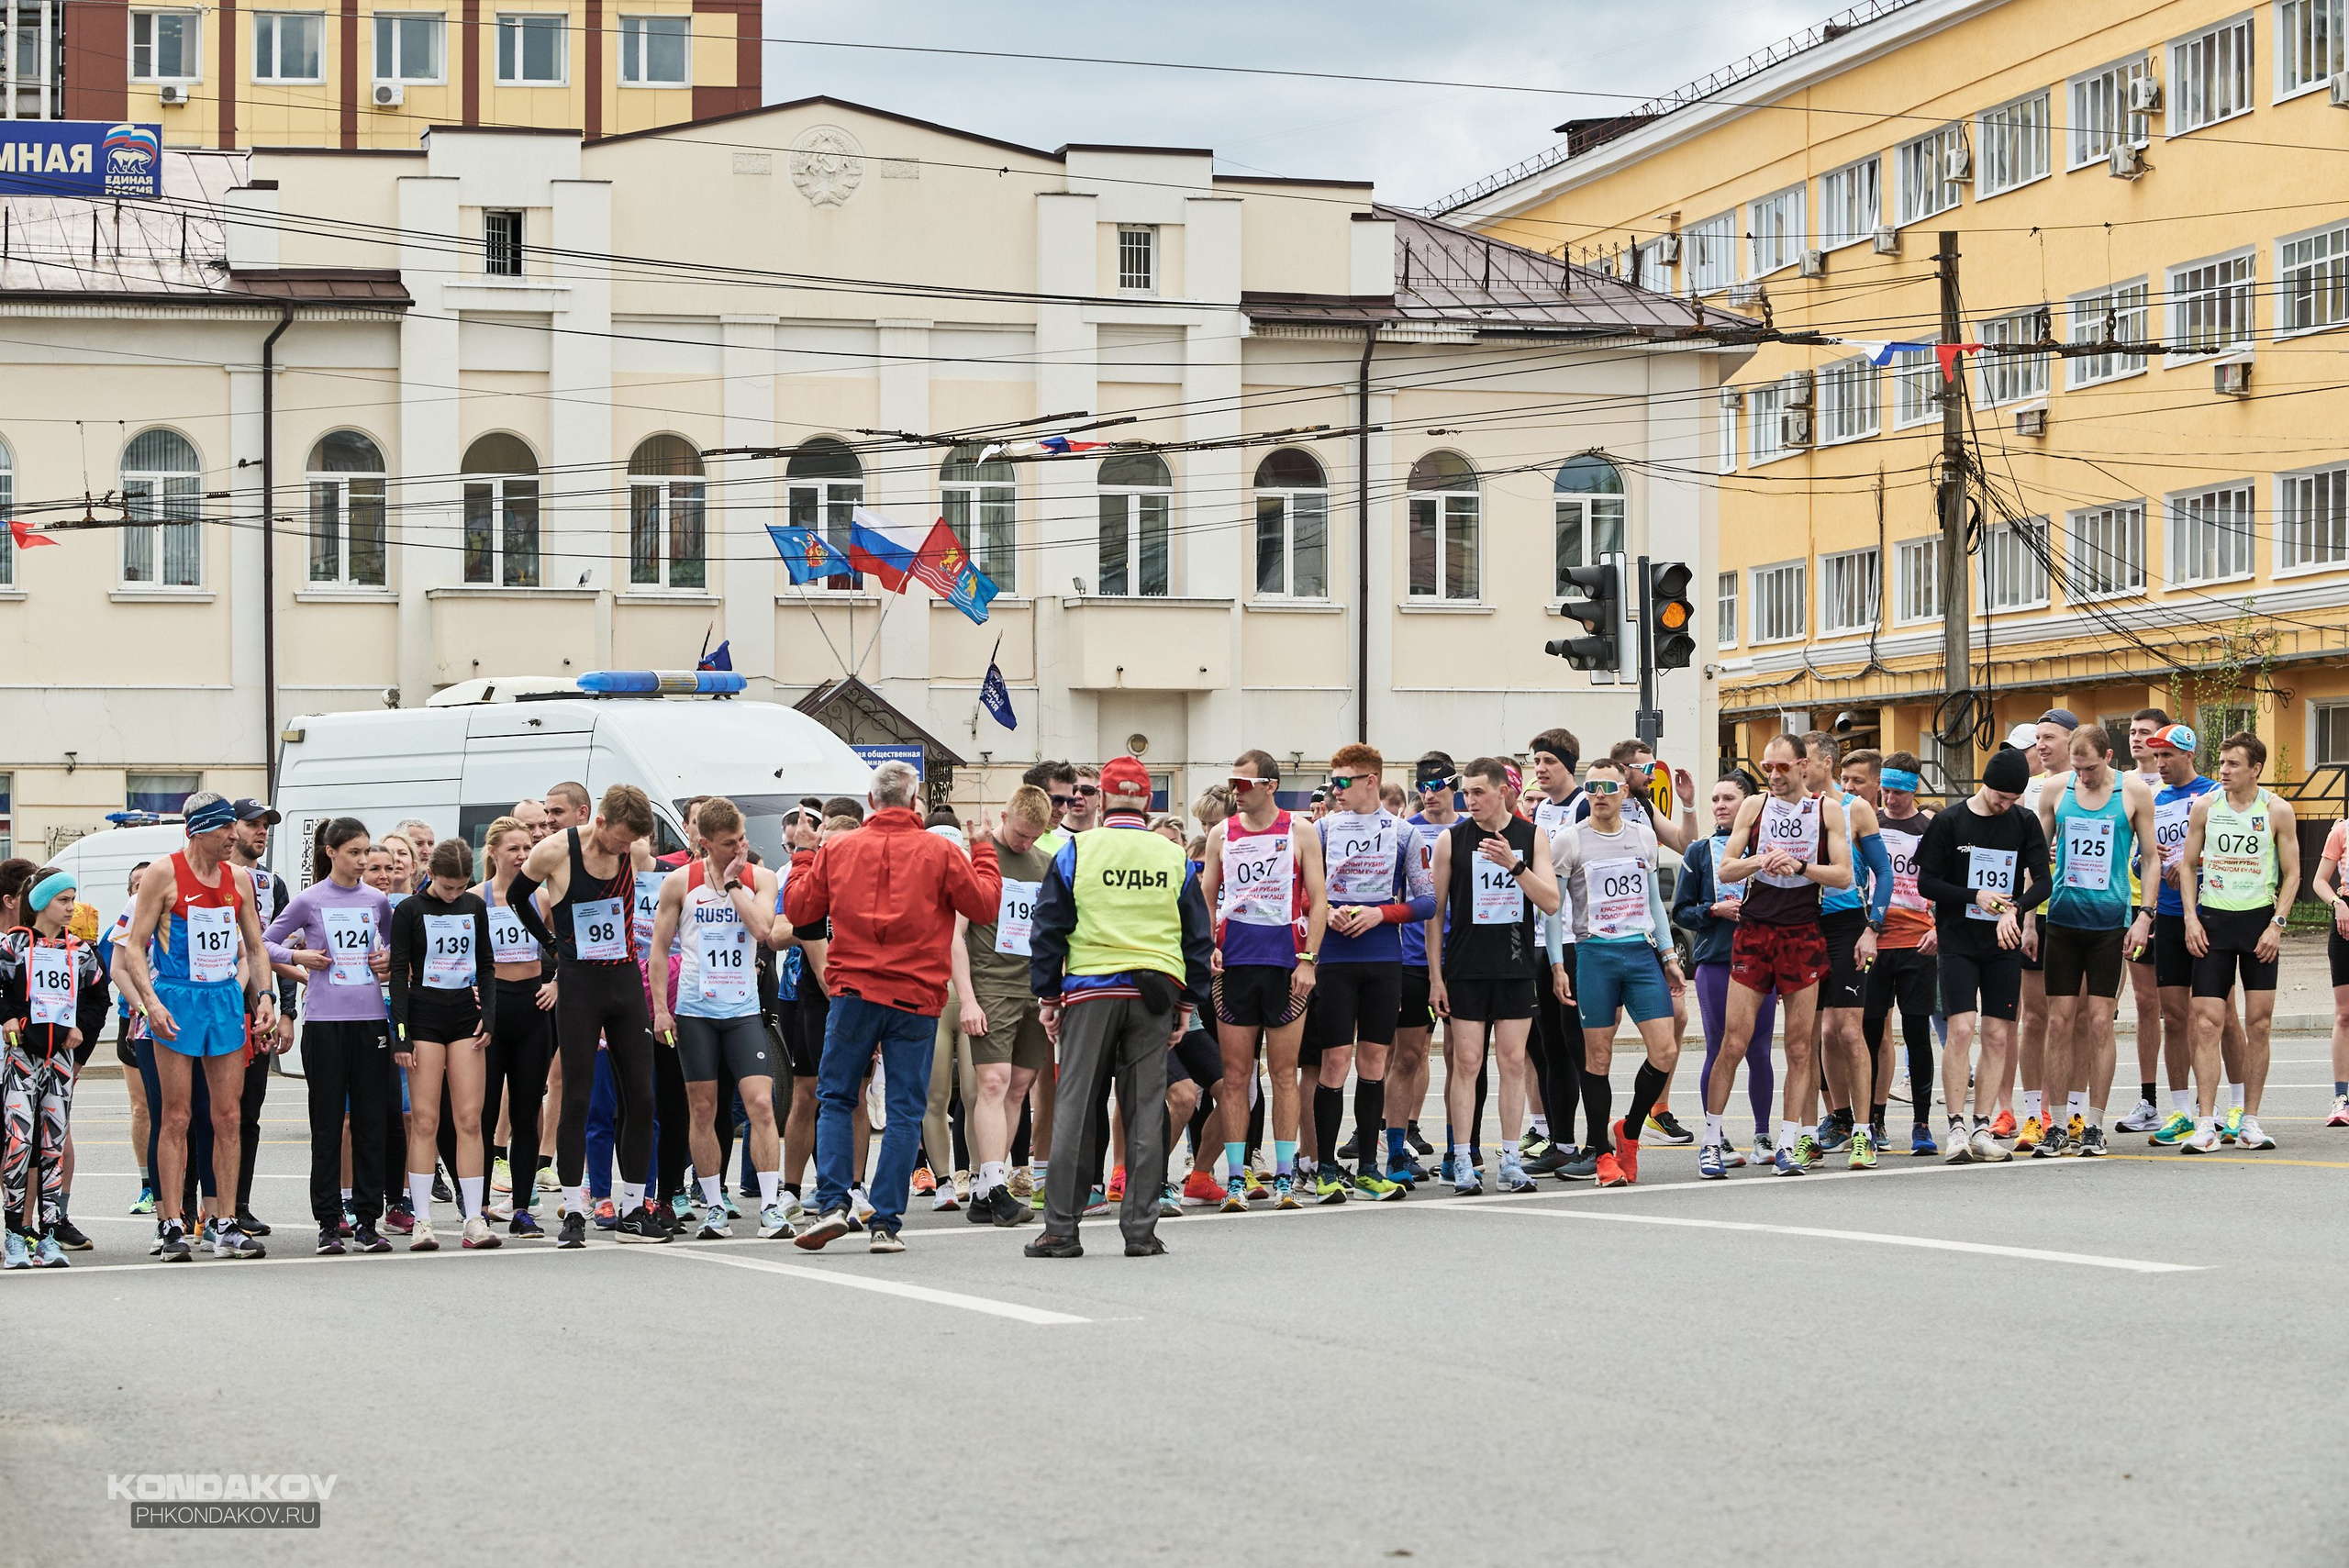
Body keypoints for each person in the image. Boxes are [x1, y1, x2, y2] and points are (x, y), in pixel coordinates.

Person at [785, 761, 1002, 1253]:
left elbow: (800, 913)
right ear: (913, 802)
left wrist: (804, 853)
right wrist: (985, 849)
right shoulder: (939, 851)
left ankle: (837, 1200)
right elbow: (985, 906)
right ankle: (885, 1222)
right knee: (905, 1110)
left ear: (870, 800)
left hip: (854, 992)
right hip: (915, 995)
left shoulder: (839, 848)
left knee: (837, 1098)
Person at [1022, 756, 1213, 1259]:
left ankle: (1061, 1231)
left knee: (1075, 1108)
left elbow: (1049, 927)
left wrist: (1048, 996)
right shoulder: (1172, 856)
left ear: (1102, 801)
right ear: (1149, 803)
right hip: (1153, 996)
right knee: (1145, 1110)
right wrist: (1187, 1004)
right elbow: (1197, 936)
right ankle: (1141, 1232)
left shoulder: (1078, 849)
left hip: (1089, 992)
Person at [112, 793, 280, 1261]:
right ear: (196, 832)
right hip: (177, 998)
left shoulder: (240, 878)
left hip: (224, 998)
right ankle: (170, 1224)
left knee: (228, 1116)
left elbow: (255, 946)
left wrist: (263, 997)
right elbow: (135, 947)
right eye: (223, 829)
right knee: (177, 1116)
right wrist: (149, 1004)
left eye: (234, 828)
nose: (233, 836)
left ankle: (223, 1222)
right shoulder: (164, 874)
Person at [507, 784, 665, 1247]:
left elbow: (667, 877)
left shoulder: (634, 849)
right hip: (579, 984)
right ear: (598, 822)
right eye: (618, 841)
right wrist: (553, 946)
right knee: (576, 1097)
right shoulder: (555, 851)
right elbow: (519, 898)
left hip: (623, 981)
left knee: (641, 1096)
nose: (624, 850)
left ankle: (634, 1210)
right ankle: (575, 1211)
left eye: (631, 844)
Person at [1702, 734, 1852, 1176]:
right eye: (1767, 767)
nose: (1772, 775)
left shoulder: (1826, 809)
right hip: (1756, 930)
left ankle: (1789, 1143)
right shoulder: (1756, 806)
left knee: (1800, 1046)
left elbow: (1843, 875)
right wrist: (1760, 861)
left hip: (1802, 932)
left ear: (1803, 766)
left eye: (1781, 767)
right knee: (1734, 1041)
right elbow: (1727, 866)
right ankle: (1712, 1141)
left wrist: (1801, 866)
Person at [648, 795, 793, 1240]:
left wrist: (732, 886)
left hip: (743, 1010)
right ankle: (712, 1205)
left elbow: (764, 931)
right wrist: (659, 1009)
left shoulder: (759, 878)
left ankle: (770, 1207)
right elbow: (657, 948)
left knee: (761, 1105)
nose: (740, 847)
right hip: (694, 1011)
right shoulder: (678, 882)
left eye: (743, 838)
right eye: (729, 842)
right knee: (703, 1109)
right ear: (705, 842)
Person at [1198, 749, 1329, 1209]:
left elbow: (1319, 898)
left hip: (1285, 966)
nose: (1236, 790)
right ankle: (1236, 1177)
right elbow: (1205, 899)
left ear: (1270, 785)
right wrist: (1207, 944)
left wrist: (1309, 960)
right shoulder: (1221, 834)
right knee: (1236, 1077)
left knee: (1283, 1075)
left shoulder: (1301, 830)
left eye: (1244, 782)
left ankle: (1286, 1176)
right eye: (1232, 782)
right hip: (1235, 966)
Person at [1427, 756, 1562, 1194]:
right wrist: (1435, 976)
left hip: (1515, 965)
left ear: (1503, 790)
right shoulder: (1452, 839)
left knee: (1512, 1064)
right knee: (1466, 1064)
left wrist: (1513, 864)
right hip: (1465, 968)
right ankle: (1463, 1158)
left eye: (1478, 792)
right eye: (1466, 792)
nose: (1470, 800)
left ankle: (1511, 1160)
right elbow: (1435, 914)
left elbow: (1552, 902)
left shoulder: (1530, 835)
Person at [1551, 756, 1685, 1186]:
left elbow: (1652, 904)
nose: (1599, 796)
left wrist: (1669, 956)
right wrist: (1558, 964)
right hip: (1594, 956)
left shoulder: (1644, 837)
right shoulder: (1570, 841)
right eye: (1591, 788)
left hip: (1640, 955)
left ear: (1624, 792)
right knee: (1599, 1058)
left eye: (1608, 788)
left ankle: (1629, 1129)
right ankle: (1603, 1153)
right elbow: (1553, 912)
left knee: (1664, 1051)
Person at [266, 818, 396, 1255]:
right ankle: (327, 1222)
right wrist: (299, 957)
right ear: (331, 852)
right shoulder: (309, 900)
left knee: (370, 1124)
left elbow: (399, 949)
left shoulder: (377, 900)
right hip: (324, 1024)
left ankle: (368, 1221)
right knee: (326, 1125)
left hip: (371, 1020)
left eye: (366, 853)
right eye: (355, 853)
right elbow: (262, 944)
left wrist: (388, 961)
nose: (363, 862)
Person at [1914, 747, 2049, 1163]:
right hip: (1957, 938)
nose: (2005, 805)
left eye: (2012, 800)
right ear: (1986, 784)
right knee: (1961, 1028)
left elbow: (2043, 881)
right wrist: (1975, 895)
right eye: (2000, 797)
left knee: (1997, 1033)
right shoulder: (1950, 821)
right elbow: (1927, 884)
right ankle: (1955, 1124)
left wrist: (2016, 908)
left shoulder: (2024, 822)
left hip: (2002, 942)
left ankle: (1981, 1125)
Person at [1309, 744, 1432, 1202]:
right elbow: (1301, 893)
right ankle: (1324, 1168)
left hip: (1384, 959)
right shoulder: (1321, 829)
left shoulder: (1403, 833)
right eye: (1332, 780)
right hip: (1336, 958)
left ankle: (1367, 1168)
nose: (1335, 789)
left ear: (1370, 781)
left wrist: (1382, 915)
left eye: (1343, 781)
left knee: (1374, 1063)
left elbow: (1427, 901)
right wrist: (1328, 912)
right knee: (1335, 1062)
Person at [2032, 725, 2158, 1158]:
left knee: (2101, 1023)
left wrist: (2145, 916)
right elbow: (2036, 859)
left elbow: (2152, 857)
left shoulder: (2134, 791)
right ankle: (2057, 1123)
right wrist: (2030, 919)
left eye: (2089, 768)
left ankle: (2094, 1124)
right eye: (2077, 768)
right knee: (2059, 1022)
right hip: (2063, 920)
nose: (2082, 776)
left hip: (2110, 923)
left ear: (2107, 755)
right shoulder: (2055, 789)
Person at [2178, 731, 2298, 1154]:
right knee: (2207, 1022)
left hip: (2258, 926)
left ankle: (2249, 1121)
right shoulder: (2206, 807)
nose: (2223, 770)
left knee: (2259, 1024)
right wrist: (2191, 918)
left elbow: (2293, 872)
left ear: (2255, 769)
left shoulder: (2278, 810)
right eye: (2222, 763)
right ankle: (2205, 1123)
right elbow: (2188, 865)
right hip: (2213, 923)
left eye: (2232, 764)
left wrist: (2277, 925)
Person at [948, 785, 1055, 1227]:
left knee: (1018, 1089)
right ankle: (992, 1184)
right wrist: (968, 1000)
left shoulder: (1046, 864)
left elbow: (1054, 930)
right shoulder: (980, 855)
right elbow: (954, 935)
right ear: (1005, 815)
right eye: (1021, 833)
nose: (1025, 843)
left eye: (1035, 837)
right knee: (992, 1083)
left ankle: (988, 1189)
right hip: (990, 987)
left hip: (1033, 989)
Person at [388, 839, 499, 1251]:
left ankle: (474, 1218)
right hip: (425, 1018)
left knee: (470, 1119)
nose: (455, 894)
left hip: (465, 1018)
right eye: (448, 887)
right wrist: (402, 1031)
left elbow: (486, 965)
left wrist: (489, 1014)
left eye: (462, 886)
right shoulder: (410, 911)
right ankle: (422, 1221)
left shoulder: (474, 907)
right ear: (430, 874)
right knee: (425, 1120)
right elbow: (399, 973)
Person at [0, 868, 104, 1267]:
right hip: (21, 1059)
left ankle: (48, 1234)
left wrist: (80, 1033)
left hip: (58, 1061)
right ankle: (14, 1234)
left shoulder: (79, 950)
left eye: (72, 899)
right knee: (17, 1143)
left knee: (52, 1146)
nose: (70, 908)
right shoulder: (13, 945)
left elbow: (98, 998)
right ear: (42, 903)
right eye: (63, 900)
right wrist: (9, 1017)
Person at [2138, 725, 2235, 1147]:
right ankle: (2181, 1109)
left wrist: (2196, 866)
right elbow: (2137, 861)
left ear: (2189, 755)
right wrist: (2150, 861)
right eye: (2156, 757)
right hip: (2170, 916)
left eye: (2168, 757)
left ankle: (2237, 1107)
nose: (2160, 765)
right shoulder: (2154, 801)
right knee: (2174, 1016)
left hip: (2212, 914)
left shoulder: (2214, 793)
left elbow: (2234, 850)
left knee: (2222, 1015)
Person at [1675, 771, 1774, 1169]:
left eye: (1728, 798)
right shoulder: (1700, 851)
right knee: (1718, 1049)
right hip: (1716, 960)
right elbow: (1681, 911)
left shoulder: (1770, 846)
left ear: (1749, 803)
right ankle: (1715, 1138)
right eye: (1715, 799)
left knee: (1760, 1051)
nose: (1719, 805)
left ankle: (1764, 1135)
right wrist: (1714, 910)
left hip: (1763, 962)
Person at [1804, 733, 1893, 1162]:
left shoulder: (1853, 808)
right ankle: (1832, 1120)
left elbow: (1884, 874)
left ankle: (1864, 1128)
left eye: (1801, 761)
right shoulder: (1790, 808)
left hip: (1845, 924)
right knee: (1812, 1033)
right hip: (1803, 923)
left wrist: (1872, 928)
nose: (1795, 770)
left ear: (1825, 762)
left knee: (1848, 1031)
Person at [474, 816, 555, 1237]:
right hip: (490, 1010)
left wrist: (556, 983)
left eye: (528, 849)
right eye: (514, 849)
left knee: (526, 1112)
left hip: (532, 1005)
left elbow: (569, 948)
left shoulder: (541, 899)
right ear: (493, 852)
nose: (523, 856)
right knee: (484, 1113)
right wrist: (469, 992)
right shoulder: (475, 898)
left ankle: (522, 1207)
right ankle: (480, 1203)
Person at [1522, 728, 1596, 1177]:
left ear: (1569, 762)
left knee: (1577, 1045)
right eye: (1536, 761)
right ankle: (1560, 1139)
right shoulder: (1541, 809)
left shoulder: (1585, 804)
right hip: (1538, 938)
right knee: (1545, 1046)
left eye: (1548, 760)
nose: (1541, 769)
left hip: (1575, 940)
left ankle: (1591, 1141)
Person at [1862, 754, 1942, 1156]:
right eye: (1886, 791)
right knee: (1871, 1033)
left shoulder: (1930, 828)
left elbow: (1948, 885)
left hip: (1916, 942)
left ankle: (1922, 1123)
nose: (1891, 799)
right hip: (1875, 940)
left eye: (1899, 792)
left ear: (1914, 790)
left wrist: (1939, 930)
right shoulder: (1869, 823)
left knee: (1916, 1033)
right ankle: (1874, 1120)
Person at [2009, 709, 2079, 1151]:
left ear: (2074, 740)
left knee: (2079, 1021)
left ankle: (2074, 1114)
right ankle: (2035, 1115)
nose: (2042, 746)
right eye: (2037, 739)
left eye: (2050, 737)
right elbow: (2022, 862)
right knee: (2034, 1018)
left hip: (2085, 914)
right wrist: (2028, 918)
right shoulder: (2030, 791)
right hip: (2040, 913)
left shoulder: (2099, 786)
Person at [224, 798, 294, 1238]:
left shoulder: (273, 885)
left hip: (259, 1010)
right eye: (253, 823)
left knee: (248, 1113)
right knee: (206, 1113)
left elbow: (281, 948)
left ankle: (240, 1205)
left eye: (266, 824)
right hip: (213, 1003)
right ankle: (199, 1205)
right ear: (231, 829)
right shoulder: (210, 877)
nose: (261, 831)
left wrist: (284, 1012)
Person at [1390, 753, 1456, 1174]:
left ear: (1455, 785)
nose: (1429, 795)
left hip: (1462, 958)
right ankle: (1395, 1149)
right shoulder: (1404, 833)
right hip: (1413, 958)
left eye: (1437, 786)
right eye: (1422, 788)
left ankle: (1458, 1149)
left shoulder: (1470, 830)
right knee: (1407, 1056)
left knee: (1462, 1058)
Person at [2115, 710, 2178, 1133]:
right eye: (2133, 733)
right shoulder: (2120, 783)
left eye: (2145, 733)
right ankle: (2148, 1100)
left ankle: (2190, 1104)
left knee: (2182, 1012)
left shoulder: (2178, 785)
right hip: (2130, 908)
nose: (2137, 740)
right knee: (2145, 1005)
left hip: (2174, 908)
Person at [2310, 815, 2349, 1128]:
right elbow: (2319, 880)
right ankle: (2342, 1097)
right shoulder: (2342, 830)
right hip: (2346, 923)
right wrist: (2338, 902)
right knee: (2345, 1014)